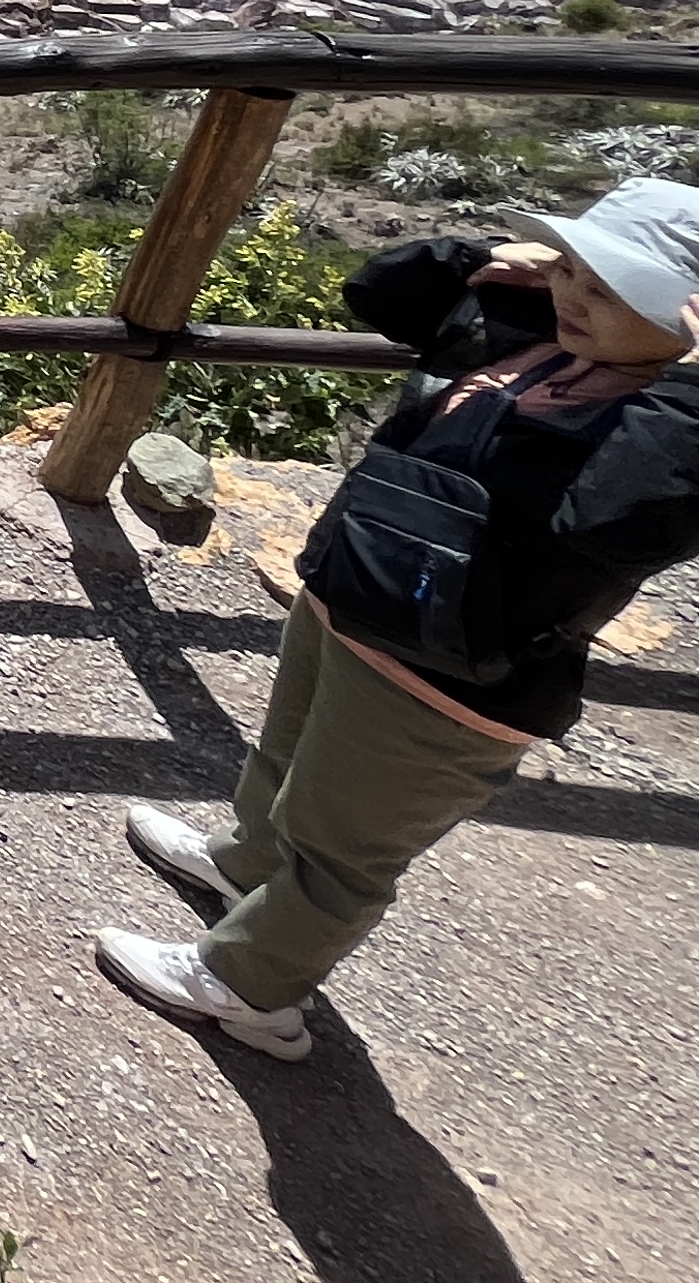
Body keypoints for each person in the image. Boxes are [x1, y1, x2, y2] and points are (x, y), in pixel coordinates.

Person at [100, 179, 699, 1059]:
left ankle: (251, 987)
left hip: (451, 674)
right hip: (359, 593)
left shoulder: (667, 431)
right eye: (574, 269)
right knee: (287, 754)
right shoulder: (535, 340)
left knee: (346, 847)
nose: (576, 295)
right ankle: (244, 864)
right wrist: (482, 261)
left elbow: (616, 518)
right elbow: (381, 291)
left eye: (610, 289)